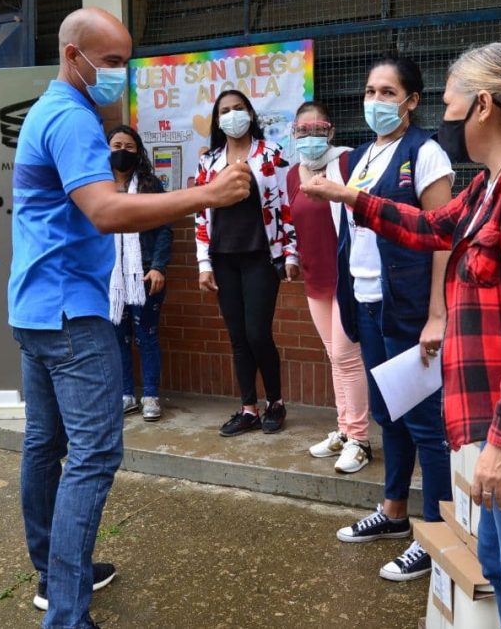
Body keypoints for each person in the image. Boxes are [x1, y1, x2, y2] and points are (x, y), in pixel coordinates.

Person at [303, 42, 501, 628]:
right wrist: (347, 196)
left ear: (483, 106)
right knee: (499, 561)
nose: (443, 117)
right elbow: (430, 225)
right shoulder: (495, 182)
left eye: (448, 103)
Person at [9, 7, 251, 629]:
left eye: (125, 61)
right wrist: (206, 194)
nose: (121, 73)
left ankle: (54, 572)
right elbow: (107, 212)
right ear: (74, 57)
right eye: (112, 62)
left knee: (46, 445)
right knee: (92, 456)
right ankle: (65, 612)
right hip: (70, 313)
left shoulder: (48, 111)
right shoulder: (72, 119)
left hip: (35, 307)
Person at [318, 55, 455, 583]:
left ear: (412, 100)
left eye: (387, 92)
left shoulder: (426, 154)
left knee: (425, 424)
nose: (375, 101)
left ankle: (437, 532)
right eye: (370, 90)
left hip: (409, 307)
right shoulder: (362, 158)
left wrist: (436, 313)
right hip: (367, 302)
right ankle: (394, 512)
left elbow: (441, 235)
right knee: (389, 413)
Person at [194, 89, 297, 437]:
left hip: (260, 257)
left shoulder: (271, 154)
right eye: (225, 110)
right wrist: (203, 265)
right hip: (223, 258)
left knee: (258, 334)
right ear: (217, 120)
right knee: (238, 337)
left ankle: (276, 403)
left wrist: (290, 253)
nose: (232, 115)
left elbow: (286, 206)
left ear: (251, 114)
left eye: (239, 109)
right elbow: (200, 215)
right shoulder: (208, 162)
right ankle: (248, 407)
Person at [285, 101, 371, 473]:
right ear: (293, 134)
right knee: (334, 357)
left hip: (347, 275)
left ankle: (360, 440)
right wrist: (291, 258)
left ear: (331, 131)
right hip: (315, 277)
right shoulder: (292, 175)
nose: (310, 136)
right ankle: (343, 428)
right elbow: (291, 222)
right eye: (302, 131)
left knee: (348, 358)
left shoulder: (350, 164)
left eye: (317, 129)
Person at [107, 125, 172, 422]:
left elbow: (164, 229)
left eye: (129, 147)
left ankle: (150, 396)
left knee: (146, 335)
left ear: (139, 151)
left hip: (144, 273)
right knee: (117, 338)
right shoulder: (98, 187)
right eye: (116, 145)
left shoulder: (150, 186)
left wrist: (158, 266)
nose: (122, 151)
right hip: (109, 277)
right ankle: (125, 395)